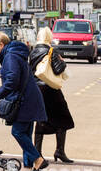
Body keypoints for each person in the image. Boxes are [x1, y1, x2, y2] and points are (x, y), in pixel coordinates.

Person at [0, 31, 50, 171]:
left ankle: (38, 159)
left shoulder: (10, 56)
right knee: (26, 133)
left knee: (17, 132)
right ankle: (29, 166)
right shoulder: (16, 53)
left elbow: (12, 79)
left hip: (24, 100)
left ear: (1, 45)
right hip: (29, 98)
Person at [30, 27, 74, 163]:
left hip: (37, 90)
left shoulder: (33, 52)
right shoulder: (51, 51)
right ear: (49, 38)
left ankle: (37, 153)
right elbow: (58, 69)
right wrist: (62, 61)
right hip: (51, 89)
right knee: (63, 118)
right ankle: (60, 150)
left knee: (41, 120)